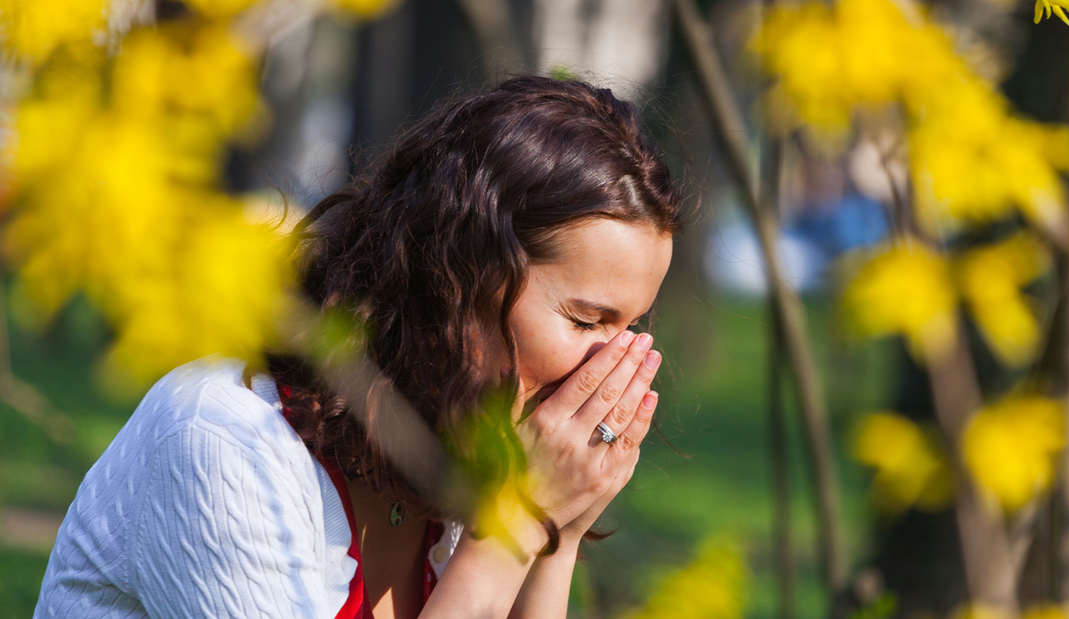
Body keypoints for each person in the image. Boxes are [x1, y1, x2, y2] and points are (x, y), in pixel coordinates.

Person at [34, 76, 685, 619]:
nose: (611, 365)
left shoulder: (459, 447)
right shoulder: (224, 440)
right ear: (457, 283)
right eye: (586, 320)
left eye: (629, 328)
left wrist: (557, 534)